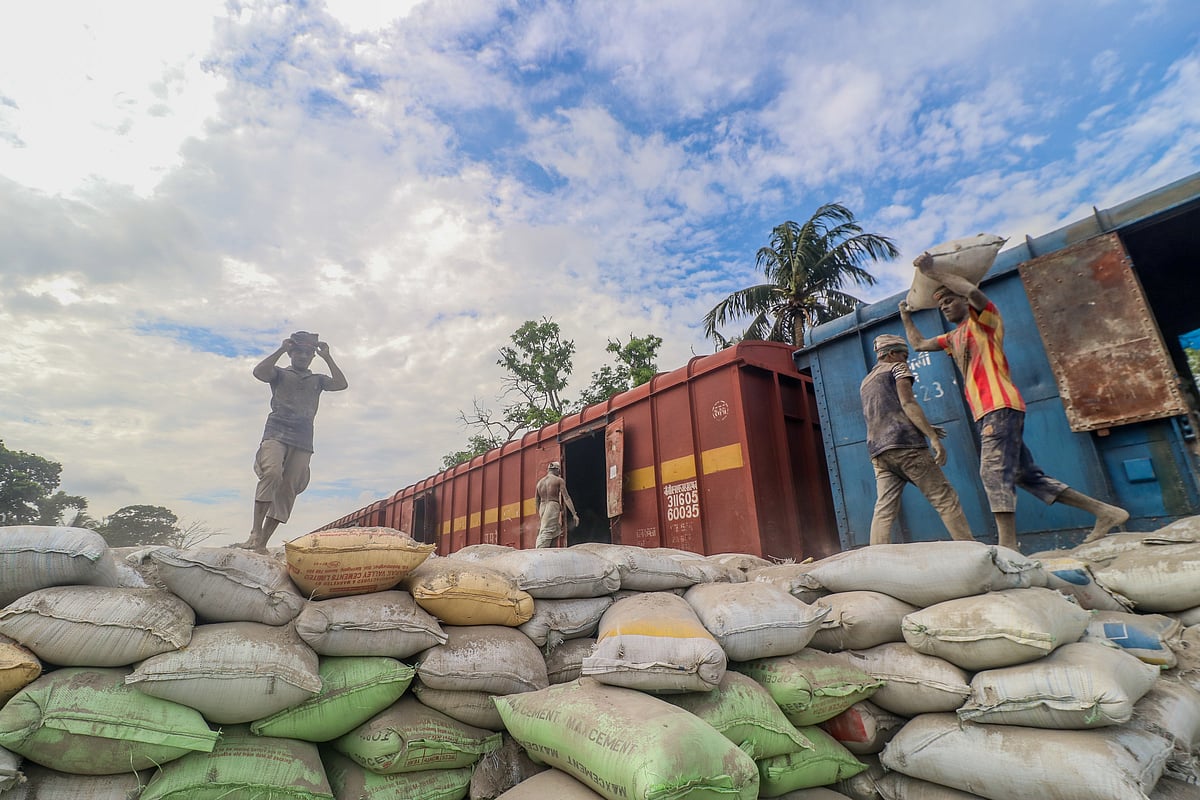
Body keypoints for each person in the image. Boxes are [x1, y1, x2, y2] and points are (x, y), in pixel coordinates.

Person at [899, 253, 1129, 550]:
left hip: (1000, 406)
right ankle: (1106, 512)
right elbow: (917, 344)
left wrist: (935, 272)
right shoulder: (952, 338)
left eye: (949, 300)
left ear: (963, 301)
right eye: (940, 303)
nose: (944, 306)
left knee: (991, 471)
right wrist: (905, 316)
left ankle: (1008, 547)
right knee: (1025, 475)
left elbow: (973, 292)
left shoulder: (986, 322)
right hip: (987, 413)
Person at [237, 331, 348, 553]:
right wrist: (280, 349)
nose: (302, 356)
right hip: (276, 432)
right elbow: (259, 372)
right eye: (298, 351)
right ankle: (254, 532)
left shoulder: (317, 380)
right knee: (271, 473)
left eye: (307, 353)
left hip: (303, 439)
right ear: (291, 353)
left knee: (289, 488)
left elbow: (341, 384)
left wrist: (327, 357)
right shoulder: (279, 374)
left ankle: (262, 543)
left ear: (311, 356)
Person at [860, 333, 976, 545]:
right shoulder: (897, 368)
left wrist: (925, 427)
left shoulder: (866, 381)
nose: (907, 360)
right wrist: (933, 438)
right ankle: (973, 553)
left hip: (879, 452)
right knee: (945, 498)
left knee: (884, 510)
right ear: (892, 353)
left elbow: (885, 412)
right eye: (904, 355)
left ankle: (877, 559)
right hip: (906, 446)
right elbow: (908, 404)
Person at [534, 461, 578, 548]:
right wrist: (574, 514)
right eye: (559, 471)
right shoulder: (558, 480)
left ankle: (551, 551)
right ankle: (539, 551)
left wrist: (540, 512)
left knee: (555, 529)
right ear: (557, 470)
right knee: (547, 531)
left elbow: (536, 499)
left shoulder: (540, 483)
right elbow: (566, 497)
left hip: (542, 507)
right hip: (552, 505)